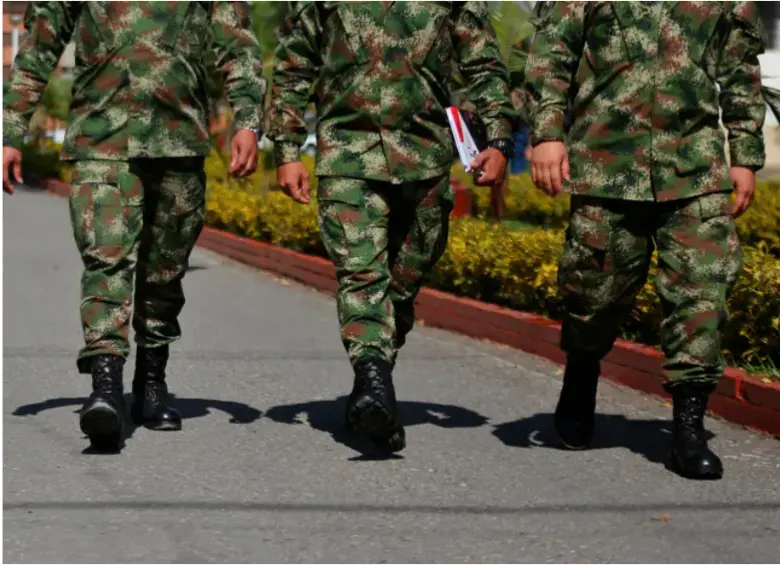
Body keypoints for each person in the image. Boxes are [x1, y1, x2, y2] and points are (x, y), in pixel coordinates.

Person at [2, 2, 266, 451]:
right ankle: (105, 387)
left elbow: (237, 43)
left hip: (179, 142)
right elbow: (41, 44)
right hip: (102, 140)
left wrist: (248, 122)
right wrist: (10, 132)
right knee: (106, 260)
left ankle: (151, 382)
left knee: (165, 272)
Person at [524, 1, 765, 479]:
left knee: (702, 291)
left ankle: (688, 429)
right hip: (605, 165)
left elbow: (739, 69)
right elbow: (553, 55)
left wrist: (744, 155)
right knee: (593, 292)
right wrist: (548, 133)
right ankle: (582, 371)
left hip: (695, 167)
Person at [269, 1, 515, 452]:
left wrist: (499, 139)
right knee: (362, 274)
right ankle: (375, 385)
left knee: (401, 287)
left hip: (425, 158)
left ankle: (370, 386)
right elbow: (293, 65)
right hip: (348, 154)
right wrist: (286, 151)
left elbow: (483, 63)